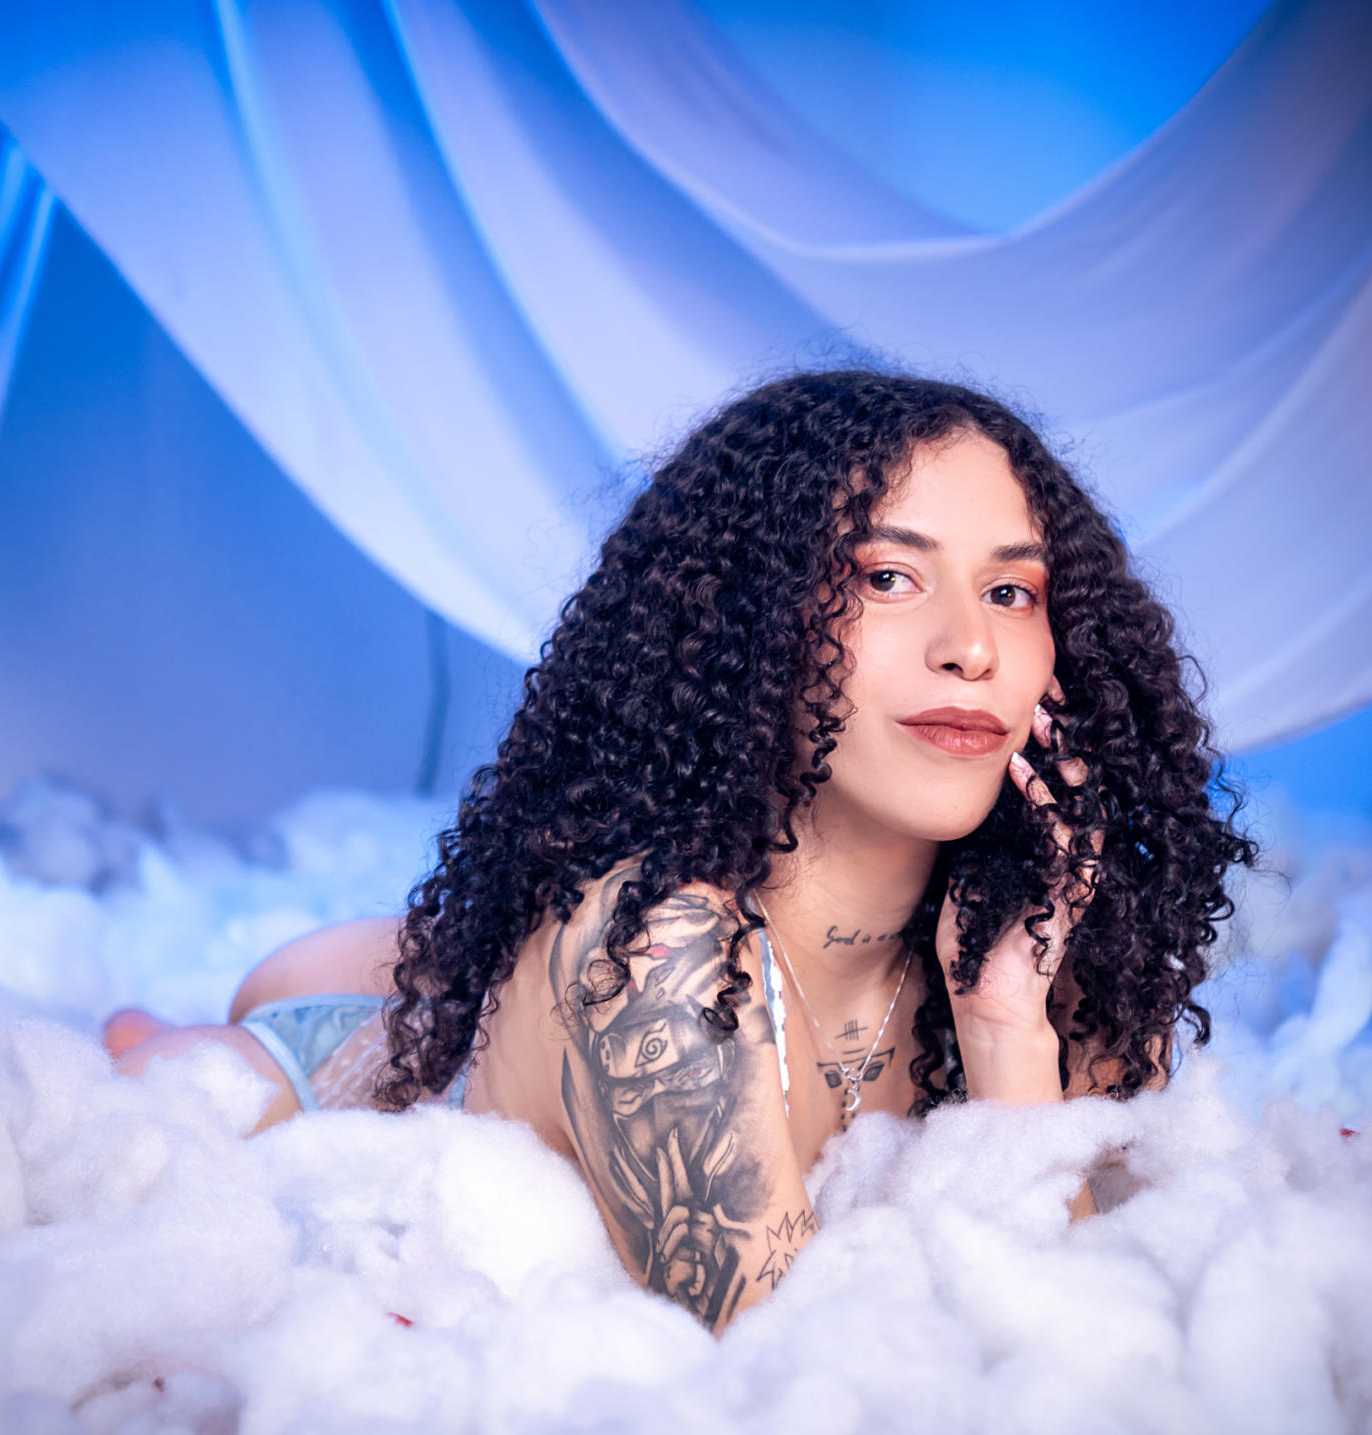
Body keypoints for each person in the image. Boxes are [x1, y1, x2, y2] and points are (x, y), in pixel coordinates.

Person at [104, 370, 1259, 1335]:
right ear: (752, 620)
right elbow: (810, 1380)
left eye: (1011, 590)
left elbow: (1085, 1347)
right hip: (376, 1069)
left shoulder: (1060, 961)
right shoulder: (659, 952)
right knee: (206, 1056)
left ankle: (459, 962)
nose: (971, 648)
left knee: (460, 958)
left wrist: (1006, 1029)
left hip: (537, 982)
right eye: (887, 577)